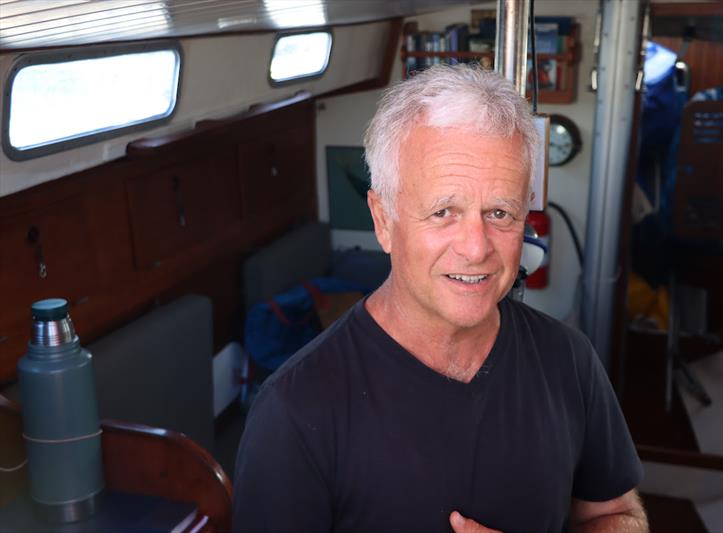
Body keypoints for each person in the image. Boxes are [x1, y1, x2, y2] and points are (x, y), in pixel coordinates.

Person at [233, 64, 647, 533]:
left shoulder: (570, 360)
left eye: (500, 212)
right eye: (443, 212)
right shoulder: (294, 410)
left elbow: (618, 514)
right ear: (383, 219)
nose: (476, 247)